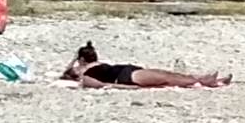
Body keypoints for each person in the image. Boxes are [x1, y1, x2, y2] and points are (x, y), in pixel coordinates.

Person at [65, 39, 231, 91]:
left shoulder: (88, 68)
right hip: (125, 76)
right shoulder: (84, 75)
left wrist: (75, 59)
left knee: (167, 76)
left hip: (127, 71)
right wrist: (129, 88)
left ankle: (203, 79)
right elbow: (104, 85)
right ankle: (204, 81)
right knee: (166, 77)